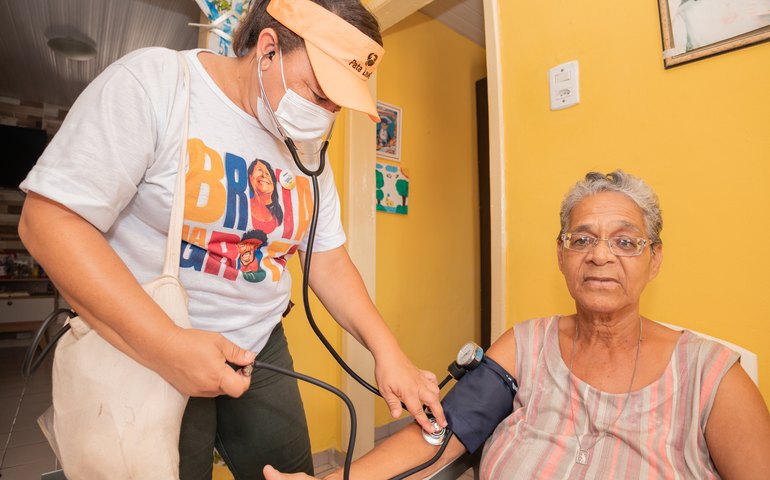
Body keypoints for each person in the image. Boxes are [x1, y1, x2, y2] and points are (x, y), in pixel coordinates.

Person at [17, 0, 445, 478]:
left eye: (336, 104)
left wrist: (388, 352)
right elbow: (49, 223)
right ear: (268, 50)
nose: (326, 115)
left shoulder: (306, 151)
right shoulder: (154, 85)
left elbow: (326, 258)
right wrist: (168, 346)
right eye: (319, 92)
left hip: (260, 344)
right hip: (148, 341)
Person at [264, 171, 770, 479]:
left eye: (625, 241)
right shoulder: (525, 344)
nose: (600, 256)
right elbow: (446, 431)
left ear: (654, 259)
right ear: (561, 254)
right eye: (582, 239)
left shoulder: (713, 376)